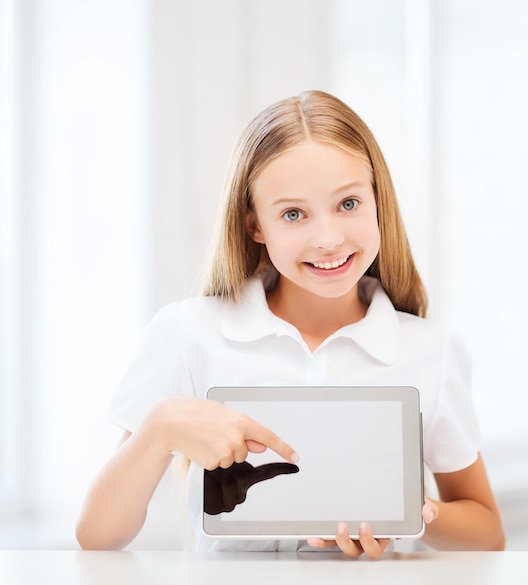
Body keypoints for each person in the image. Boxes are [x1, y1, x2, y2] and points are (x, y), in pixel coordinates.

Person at [76, 90, 505, 558]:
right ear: (254, 226)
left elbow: (487, 533)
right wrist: (157, 430)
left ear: (378, 200)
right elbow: (97, 536)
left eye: (348, 204)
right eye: (293, 214)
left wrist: (409, 512)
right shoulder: (186, 334)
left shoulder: (430, 349)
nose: (328, 239)